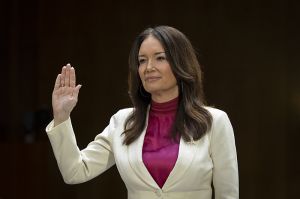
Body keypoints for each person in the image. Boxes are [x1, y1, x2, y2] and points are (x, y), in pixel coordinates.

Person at [46, 26, 239, 199]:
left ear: (181, 63)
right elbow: (75, 171)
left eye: (160, 58)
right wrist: (62, 116)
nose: (149, 67)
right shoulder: (122, 122)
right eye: (142, 60)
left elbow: (228, 194)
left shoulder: (215, 121)